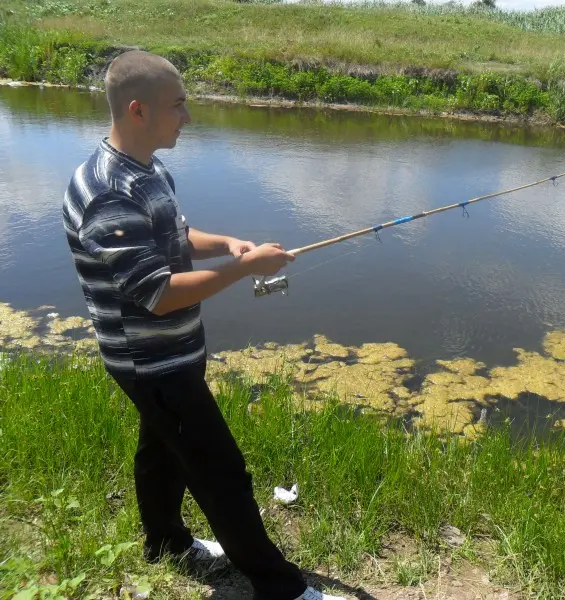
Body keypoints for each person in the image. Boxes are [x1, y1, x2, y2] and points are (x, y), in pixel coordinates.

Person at [62, 50, 344, 600]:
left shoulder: (146, 169)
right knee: (222, 473)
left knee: (162, 450)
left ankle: (165, 543)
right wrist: (242, 269)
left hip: (175, 353)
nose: (187, 117)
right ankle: (281, 588)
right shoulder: (106, 192)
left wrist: (229, 245)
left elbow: (176, 236)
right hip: (151, 363)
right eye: (179, 106)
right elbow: (159, 294)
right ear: (138, 110)